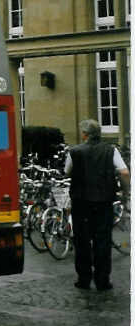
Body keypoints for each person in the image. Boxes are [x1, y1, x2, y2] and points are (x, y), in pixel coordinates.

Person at [64, 119, 129, 291]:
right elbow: (124, 172)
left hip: (81, 202)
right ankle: (102, 280)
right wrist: (125, 192)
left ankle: (84, 279)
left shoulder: (74, 151)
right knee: (103, 241)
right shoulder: (111, 150)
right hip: (103, 201)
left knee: (82, 241)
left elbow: (67, 171)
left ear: (84, 134)